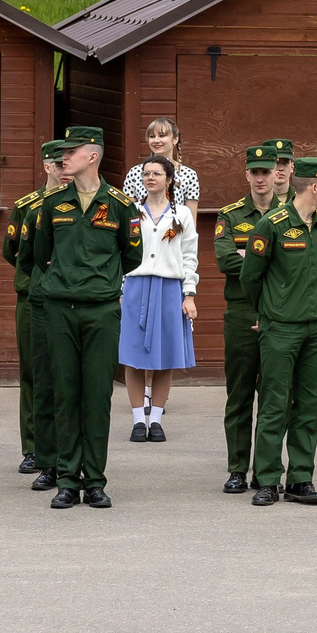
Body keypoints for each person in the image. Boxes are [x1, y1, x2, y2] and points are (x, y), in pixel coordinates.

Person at [27, 126, 140, 509]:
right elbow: (38, 252)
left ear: (92, 155)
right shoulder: (53, 203)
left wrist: (100, 282)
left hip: (102, 312)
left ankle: (94, 480)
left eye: (72, 151)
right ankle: (66, 479)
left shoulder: (121, 205)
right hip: (59, 309)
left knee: (97, 396)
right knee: (65, 393)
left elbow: (132, 256)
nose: (64, 158)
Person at [241, 154, 317, 504]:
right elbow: (250, 276)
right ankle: (267, 478)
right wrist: (266, 312)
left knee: (310, 404)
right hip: (281, 327)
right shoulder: (273, 224)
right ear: (314, 186)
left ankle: (300, 477)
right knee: (274, 403)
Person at [214, 144, 280, 494]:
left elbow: (297, 264)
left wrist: (251, 257)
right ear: (247, 175)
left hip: (279, 313)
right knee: (239, 394)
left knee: (273, 397)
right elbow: (225, 260)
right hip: (240, 312)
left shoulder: (290, 215)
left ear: (276, 175)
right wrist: (270, 261)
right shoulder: (230, 215)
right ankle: (237, 468)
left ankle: (266, 470)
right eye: (254, 172)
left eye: (265, 172)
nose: (260, 178)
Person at [121, 155, 198, 444]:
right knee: (133, 356)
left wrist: (189, 294)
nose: (150, 178)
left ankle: (156, 419)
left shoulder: (182, 216)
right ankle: (138, 419)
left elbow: (190, 255)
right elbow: (120, 254)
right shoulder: (131, 212)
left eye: (157, 173)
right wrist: (120, 289)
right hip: (136, 285)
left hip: (169, 288)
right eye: (146, 173)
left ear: (169, 180)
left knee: (165, 356)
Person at [6, 144, 64, 484]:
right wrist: (41, 277)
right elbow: (14, 252)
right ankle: (33, 447)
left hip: (67, 299)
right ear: (46, 165)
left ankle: (66, 450)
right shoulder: (26, 206)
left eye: (66, 162)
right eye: (57, 163)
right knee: (32, 374)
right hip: (32, 297)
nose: (62, 168)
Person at [122, 117, 201, 212]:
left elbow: (190, 221)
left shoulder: (189, 175)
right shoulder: (135, 172)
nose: (156, 140)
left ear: (175, 139)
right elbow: (127, 213)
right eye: (152, 136)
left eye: (162, 136)